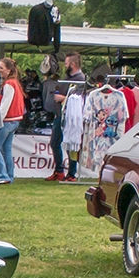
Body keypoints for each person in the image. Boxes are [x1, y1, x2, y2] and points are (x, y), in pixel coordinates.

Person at [45, 52, 87, 181]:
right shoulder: (67, 78)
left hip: (71, 118)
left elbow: (79, 99)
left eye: (67, 63)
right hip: (60, 115)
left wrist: (63, 98)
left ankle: (71, 174)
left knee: (71, 144)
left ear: (73, 64)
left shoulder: (81, 79)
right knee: (55, 142)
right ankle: (59, 171)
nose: (65, 65)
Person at [0, 57, 23, 186]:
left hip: (7, 120)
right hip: (15, 120)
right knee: (7, 149)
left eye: (1, 68)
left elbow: (5, 105)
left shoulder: (9, 84)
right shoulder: (15, 83)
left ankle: (2, 175)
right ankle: (9, 176)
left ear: (9, 70)